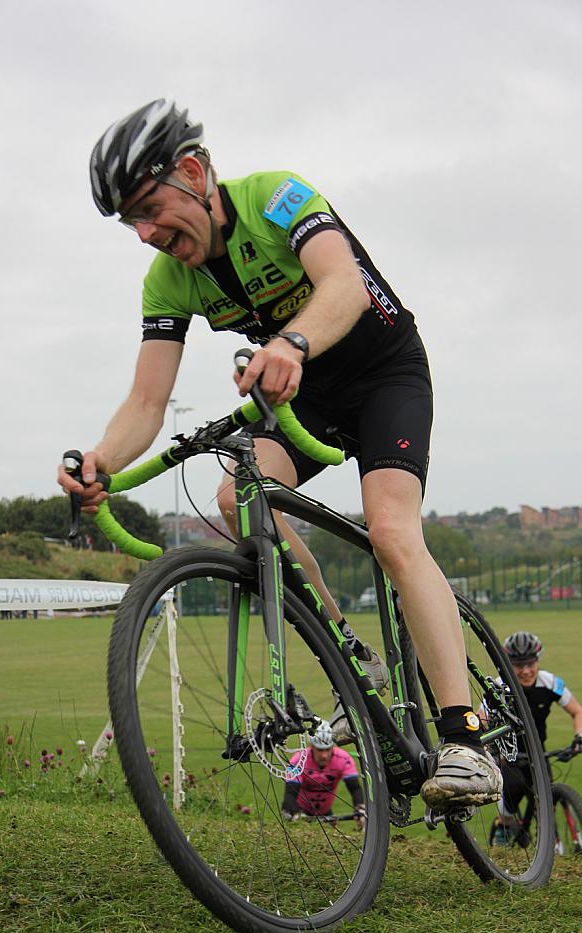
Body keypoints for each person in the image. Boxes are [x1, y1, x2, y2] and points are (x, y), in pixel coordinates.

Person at [57, 97, 501, 810]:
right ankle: (351, 656)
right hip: (299, 392)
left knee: (391, 530)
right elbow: (146, 403)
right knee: (240, 497)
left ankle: (466, 738)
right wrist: (100, 460)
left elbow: (343, 284)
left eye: (147, 207)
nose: (144, 233)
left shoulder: (277, 198)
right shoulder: (169, 278)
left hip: (383, 372)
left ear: (195, 172)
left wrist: (291, 341)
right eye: (129, 223)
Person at [492, 630, 582, 844]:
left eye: (530, 664)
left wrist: (580, 737)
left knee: (547, 805)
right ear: (509, 664)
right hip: (509, 756)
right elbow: (481, 718)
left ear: (537, 660)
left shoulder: (550, 682)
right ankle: (503, 827)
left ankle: (548, 846)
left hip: (538, 753)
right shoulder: (498, 686)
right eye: (519, 665)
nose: (526, 671)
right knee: (508, 804)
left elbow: (577, 712)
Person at [281, 721, 366, 828]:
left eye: (327, 749)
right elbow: (290, 793)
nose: (324, 755)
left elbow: (355, 788)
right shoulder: (298, 759)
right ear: (311, 746)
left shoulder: (344, 758)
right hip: (298, 809)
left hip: (326, 812)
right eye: (320, 750)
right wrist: (294, 812)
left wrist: (360, 808)